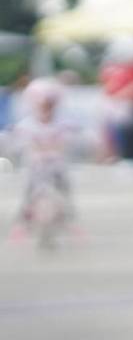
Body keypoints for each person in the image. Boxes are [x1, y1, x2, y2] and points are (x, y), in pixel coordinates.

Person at [6, 77, 78, 240]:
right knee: (29, 192)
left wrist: (56, 150)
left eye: (50, 104)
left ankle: (68, 219)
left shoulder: (62, 123)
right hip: (36, 167)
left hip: (56, 165)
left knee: (64, 189)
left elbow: (68, 141)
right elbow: (20, 144)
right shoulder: (26, 125)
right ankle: (23, 222)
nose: (46, 108)